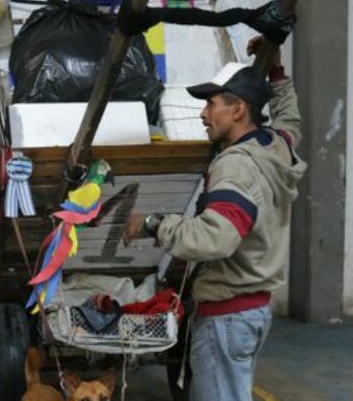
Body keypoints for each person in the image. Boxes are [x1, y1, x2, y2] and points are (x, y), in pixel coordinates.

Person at [124, 39, 307, 401]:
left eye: (211, 104)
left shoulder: (235, 165)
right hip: (252, 312)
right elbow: (290, 121)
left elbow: (216, 238)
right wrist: (278, 74)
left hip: (225, 317)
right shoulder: (275, 147)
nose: (204, 114)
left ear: (238, 110)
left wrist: (153, 223)